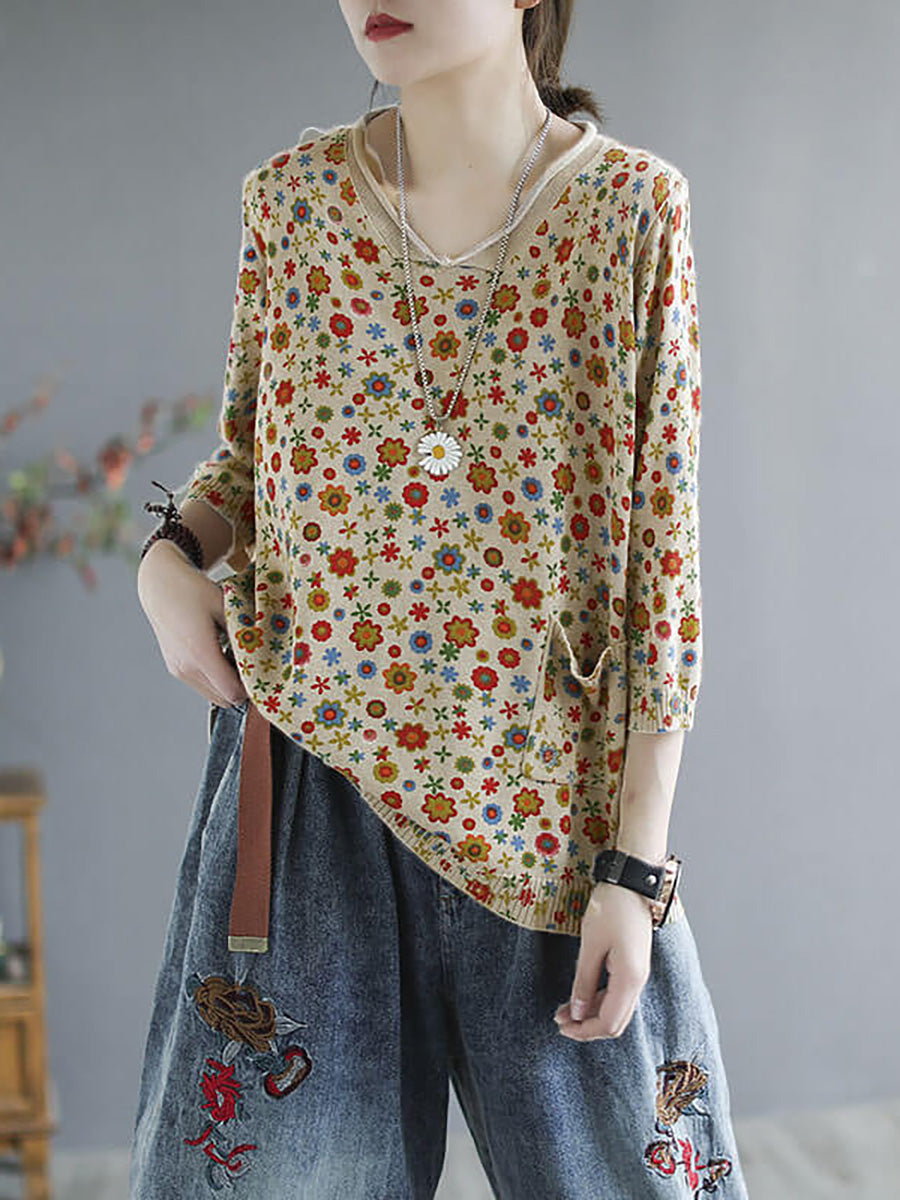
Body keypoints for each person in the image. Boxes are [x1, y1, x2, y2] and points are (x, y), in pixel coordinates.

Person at [129, 1, 751, 1196]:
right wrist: (165, 563)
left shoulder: (629, 212)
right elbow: (249, 464)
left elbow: (660, 567)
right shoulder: (294, 204)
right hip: (307, 795)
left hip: (545, 809)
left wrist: (635, 870)